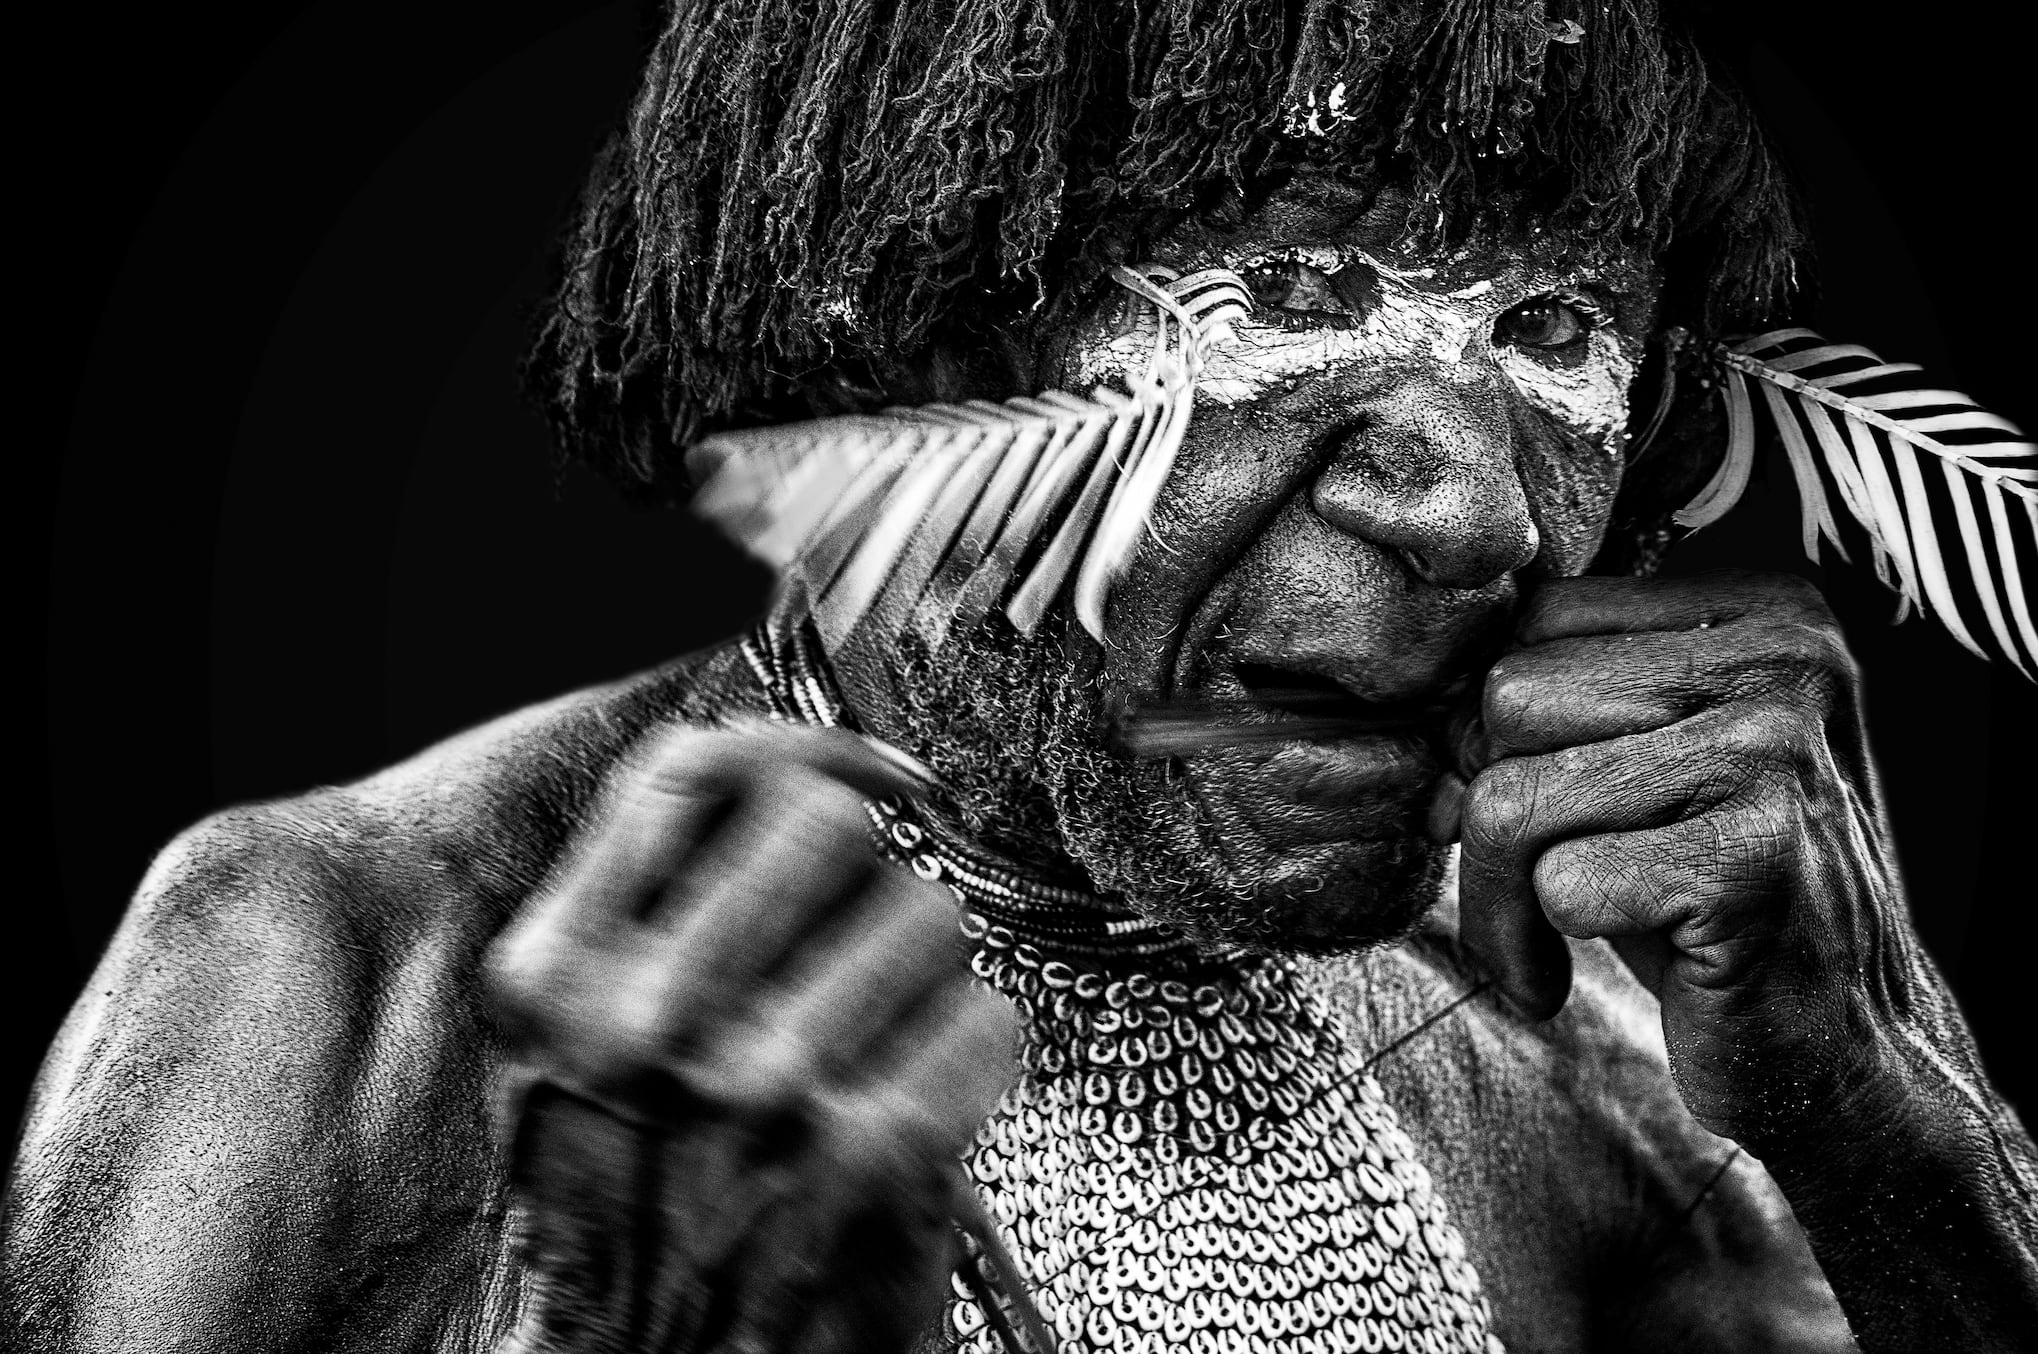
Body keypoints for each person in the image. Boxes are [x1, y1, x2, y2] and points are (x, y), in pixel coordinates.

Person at [9, 2, 2035, 1352]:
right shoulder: (337, 974)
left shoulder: (1575, 1057)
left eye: (1551, 323)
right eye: (1288, 292)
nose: (1484, 512)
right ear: (883, 341)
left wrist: (1899, 1135)